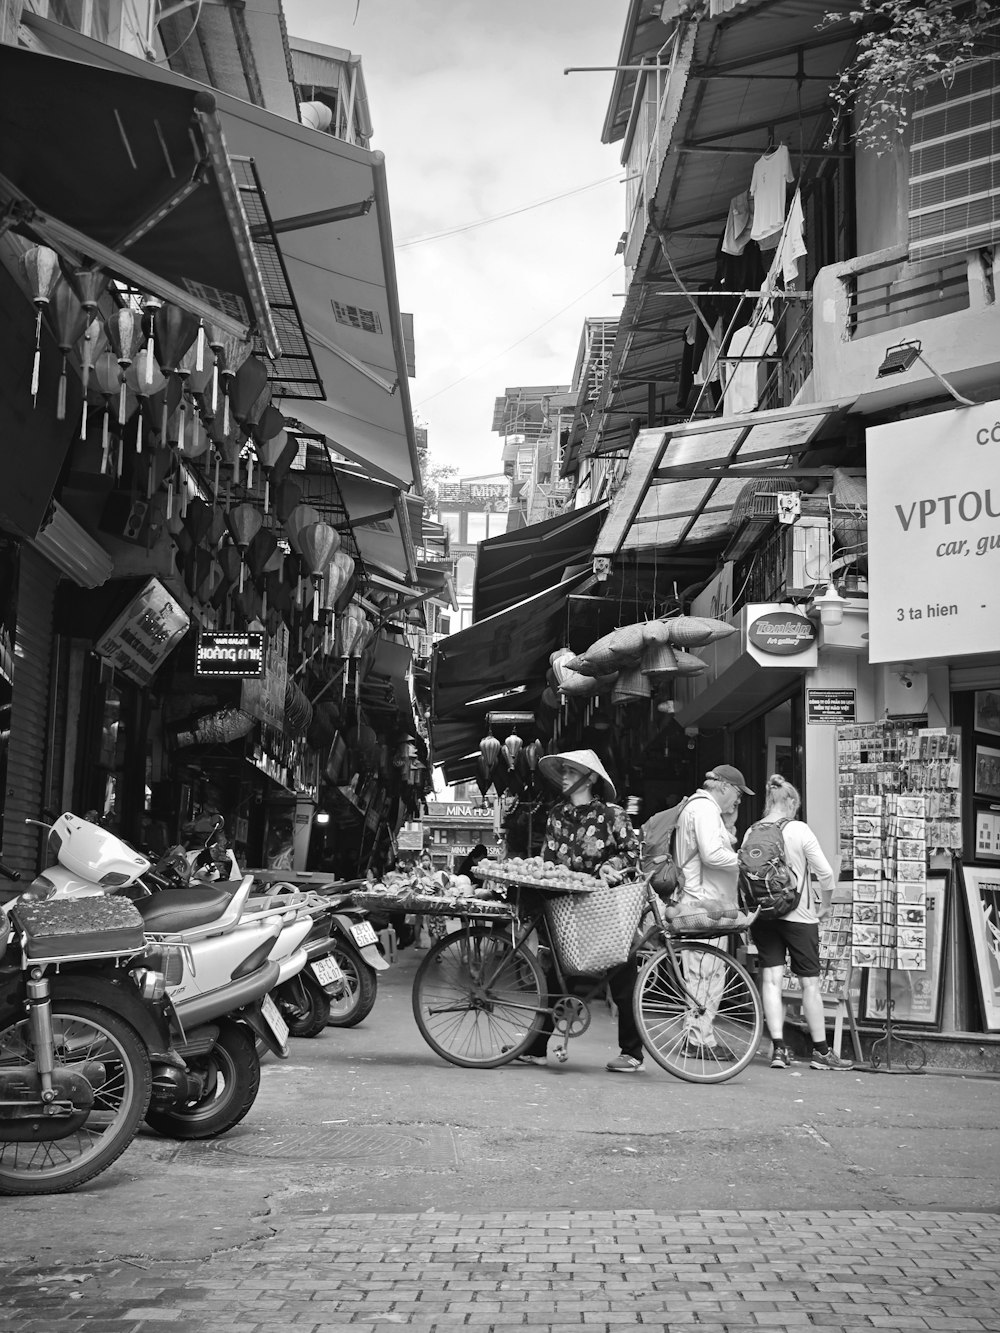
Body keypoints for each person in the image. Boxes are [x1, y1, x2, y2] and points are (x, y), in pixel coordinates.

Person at [516, 748, 645, 1074]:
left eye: (571, 772)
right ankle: (536, 1049)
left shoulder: (612, 815)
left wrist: (609, 867)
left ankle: (632, 1053)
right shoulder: (557, 816)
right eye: (563, 771)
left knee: (622, 976)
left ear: (589, 778)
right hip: (567, 908)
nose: (565, 776)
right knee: (554, 975)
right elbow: (548, 860)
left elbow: (631, 853)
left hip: (607, 908)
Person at [745, 774, 853, 1071]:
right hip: (799, 916)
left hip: (764, 914)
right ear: (791, 802)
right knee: (809, 984)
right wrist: (826, 905)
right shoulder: (799, 830)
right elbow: (826, 875)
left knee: (770, 980)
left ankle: (778, 1049)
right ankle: (821, 1052)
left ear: (769, 801)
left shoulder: (752, 830)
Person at [672, 764, 754, 1055]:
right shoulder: (705, 810)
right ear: (723, 787)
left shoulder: (701, 809)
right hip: (705, 903)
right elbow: (712, 854)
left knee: (705, 973)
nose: (739, 800)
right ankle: (697, 1040)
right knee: (706, 975)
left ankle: (698, 1037)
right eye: (738, 793)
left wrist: (729, 824)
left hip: (704, 902)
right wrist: (744, 862)